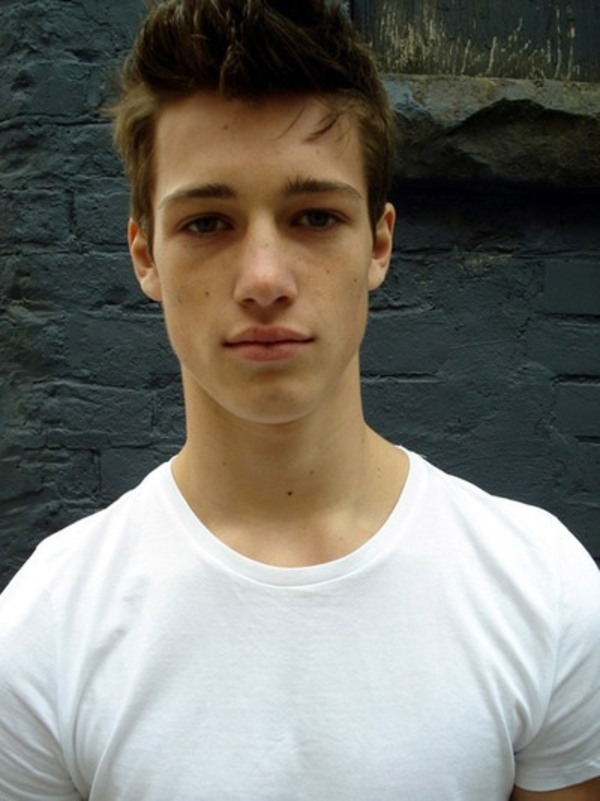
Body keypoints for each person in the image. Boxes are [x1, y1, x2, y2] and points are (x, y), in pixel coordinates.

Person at [0, 0, 598, 798]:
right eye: (207, 223)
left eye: (315, 216)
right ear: (144, 254)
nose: (264, 280)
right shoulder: (44, 628)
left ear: (378, 242)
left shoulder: (542, 589)